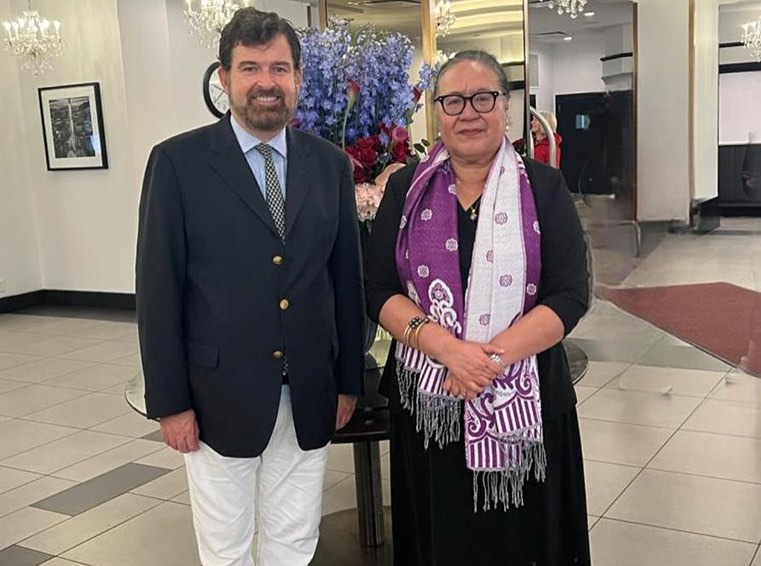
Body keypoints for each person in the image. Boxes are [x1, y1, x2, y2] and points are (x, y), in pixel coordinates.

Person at [135, 8, 365, 566]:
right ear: (225, 78)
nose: (267, 82)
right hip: (218, 398)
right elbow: (157, 291)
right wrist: (169, 403)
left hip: (310, 390)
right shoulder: (178, 163)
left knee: (294, 541)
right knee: (226, 547)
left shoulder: (330, 166)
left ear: (299, 79)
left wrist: (348, 382)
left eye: (280, 68)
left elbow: (346, 282)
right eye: (251, 68)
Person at [365, 50, 591, 565]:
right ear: (437, 112)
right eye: (452, 100)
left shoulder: (543, 187)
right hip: (432, 405)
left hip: (526, 401)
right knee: (440, 539)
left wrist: (486, 360)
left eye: (483, 97)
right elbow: (378, 289)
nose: (468, 112)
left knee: (524, 540)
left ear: (506, 108)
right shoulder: (406, 189)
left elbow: (570, 294)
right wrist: (449, 351)